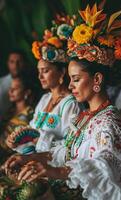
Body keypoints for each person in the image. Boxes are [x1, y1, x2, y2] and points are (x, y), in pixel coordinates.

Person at [2, 3, 121, 200]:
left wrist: (55, 172)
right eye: (71, 79)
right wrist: (29, 158)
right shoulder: (85, 117)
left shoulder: (108, 121)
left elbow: (107, 166)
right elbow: (66, 152)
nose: (71, 86)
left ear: (96, 80)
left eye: (76, 79)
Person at [5, 15, 82, 155]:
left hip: (52, 168)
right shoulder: (45, 99)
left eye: (45, 71)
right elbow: (29, 134)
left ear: (61, 73)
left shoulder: (70, 104)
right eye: (39, 71)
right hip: (32, 162)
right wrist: (17, 141)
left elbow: (71, 146)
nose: (40, 76)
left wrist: (39, 140)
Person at [0, 73, 34, 163]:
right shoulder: (10, 110)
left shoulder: (30, 115)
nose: (11, 90)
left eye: (16, 88)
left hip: (11, 159)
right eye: (11, 87)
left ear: (26, 92)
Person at [0, 49, 27, 116]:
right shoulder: (1, 83)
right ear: (7, 63)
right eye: (12, 62)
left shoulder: (32, 82)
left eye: (19, 61)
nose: (15, 65)